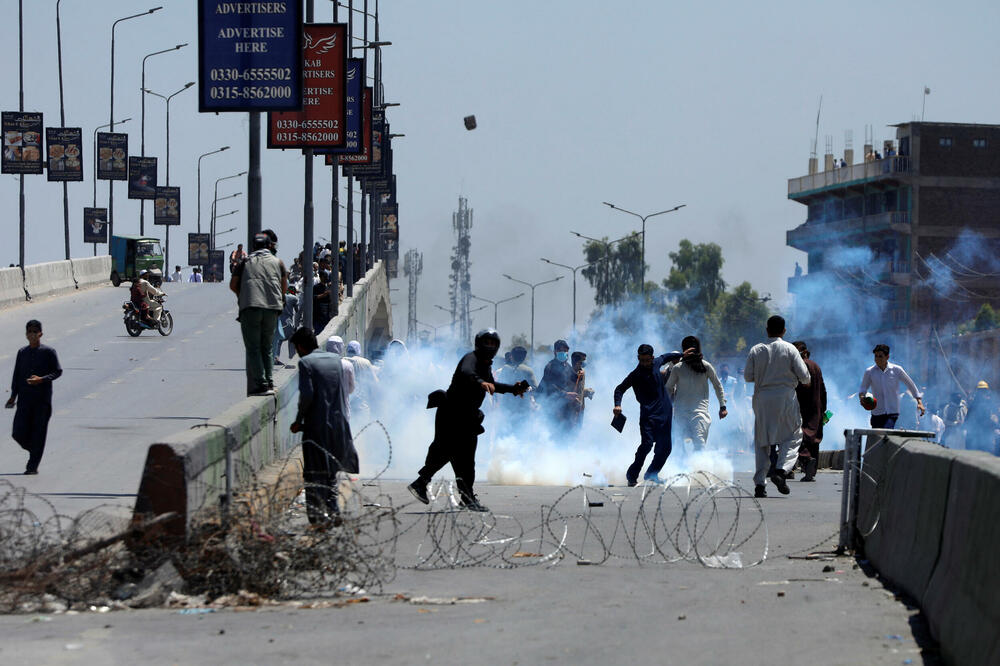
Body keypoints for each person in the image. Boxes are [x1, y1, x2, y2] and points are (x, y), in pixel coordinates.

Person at [407, 329, 529, 511]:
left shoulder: (485, 365)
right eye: (487, 342)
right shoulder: (471, 359)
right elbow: (466, 372)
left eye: (493, 343)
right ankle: (428, 484)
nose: (489, 346)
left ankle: (460, 494)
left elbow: (492, 385)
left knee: (462, 458)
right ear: (479, 343)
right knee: (449, 452)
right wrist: (480, 382)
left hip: (466, 416)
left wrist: (513, 389)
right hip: (452, 413)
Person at [289, 327, 357, 526]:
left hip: (317, 427)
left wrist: (298, 420)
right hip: (339, 424)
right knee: (331, 471)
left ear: (301, 347)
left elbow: (307, 395)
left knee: (313, 472)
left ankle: (317, 517)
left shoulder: (306, 363)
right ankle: (333, 510)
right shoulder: (336, 361)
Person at [743, 316, 811, 498]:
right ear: (784, 331)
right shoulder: (790, 349)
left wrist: (764, 374)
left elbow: (748, 376)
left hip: (762, 398)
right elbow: (805, 377)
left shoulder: (756, 349)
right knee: (794, 434)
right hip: (785, 397)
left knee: (762, 440)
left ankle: (760, 485)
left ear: (767, 330)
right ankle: (781, 471)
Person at [613, 344, 683, 486]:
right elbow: (619, 389)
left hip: (665, 414)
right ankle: (631, 475)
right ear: (638, 358)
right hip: (648, 415)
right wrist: (617, 405)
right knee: (647, 445)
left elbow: (667, 356)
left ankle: (652, 473)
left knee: (666, 447)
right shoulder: (635, 374)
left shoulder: (657, 363)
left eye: (647, 360)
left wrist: (683, 354)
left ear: (652, 358)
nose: (644, 363)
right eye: (641, 360)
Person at [230, 230, 288, 396]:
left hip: (250, 307)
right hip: (272, 309)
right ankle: (269, 381)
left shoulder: (245, 262)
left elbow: (233, 285)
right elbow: (284, 287)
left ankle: (261, 384)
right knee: (267, 347)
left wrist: (243, 296)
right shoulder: (278, 262)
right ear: (270, 245)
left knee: (253, 348)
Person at [6, 320, 62, 474]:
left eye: (35, 332)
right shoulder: (22, 352)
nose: (32, 334)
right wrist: (13, 396)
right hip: (24, 399)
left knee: (39, 432)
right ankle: (35, 450)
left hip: (42, 400)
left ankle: (32, 466)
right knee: (18, 432)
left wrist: (41, 379)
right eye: (29, 331)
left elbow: (57, 371)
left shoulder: (48, 352)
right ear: (26, 334)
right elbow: (17, 375)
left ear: (40, 334)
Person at [664, 336, 727, 453]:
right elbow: (668, 389)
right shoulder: (678, 368)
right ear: (685, 351)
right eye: (689, 349)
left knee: (699, 444)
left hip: (700, 413)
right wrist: (664, 408)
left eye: (694, 349)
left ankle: (698, 464)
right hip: (680, 413)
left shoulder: (706, 366)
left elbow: (717, 386)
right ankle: (680, 464)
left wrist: (722, 406)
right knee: (679, 446)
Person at [858, 343, 925, 429]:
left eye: (880, 356)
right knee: (876, 435)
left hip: (892, 413)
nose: (877, 359)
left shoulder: (897, 370)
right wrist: (862, 398)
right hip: (876, 413)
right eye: (876, 356)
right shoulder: (869, 372)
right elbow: (862, 389)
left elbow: (910, 384)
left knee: (886, 431)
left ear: (887, 357)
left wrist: (919, 402)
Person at [792, 341, 827, 482]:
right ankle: (811, 472)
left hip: (802, 406)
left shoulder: (800, 365)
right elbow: (823, 389)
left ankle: (806, 459)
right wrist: (823, 408)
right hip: (816, 407)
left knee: (799, 435)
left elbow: (796, 388)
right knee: (814, 439)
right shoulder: (816, 366)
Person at [538, 339, 579, 426]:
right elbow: (549, 386)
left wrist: (581, 375)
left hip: (566, 405)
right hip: (553, 405)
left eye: (565, 350)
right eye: (560, 350)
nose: (562, 352)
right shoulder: (550, 367)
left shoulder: (567, 366)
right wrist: (565, 394)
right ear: (555, 352)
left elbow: (575, 379)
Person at [964, 381, 999, 454]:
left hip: (985, 435)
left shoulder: (988, 403)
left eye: (983, 390)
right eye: (981, 390)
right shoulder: (974, 404)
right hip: (977, 435)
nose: (982, 392)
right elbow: (968, 419)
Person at [273, 285, 301, 366]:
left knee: (279, 340)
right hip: (288, 322)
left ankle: (276, 357)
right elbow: (297, 310)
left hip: (279, 321)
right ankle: (292, 357)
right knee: (291, 339)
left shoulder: (279, 296)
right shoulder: (294, 298)